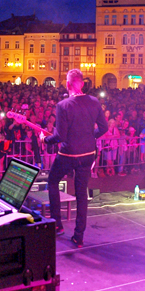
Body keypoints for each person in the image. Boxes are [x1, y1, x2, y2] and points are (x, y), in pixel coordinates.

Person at [40, 69, 108, 247]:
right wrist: (89, 136)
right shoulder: (94, 102)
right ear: (83, 84)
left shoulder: (63, 105)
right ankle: (79, 236)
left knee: (53, 181)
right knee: (81, 193)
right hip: (87, 154)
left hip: (69, 154)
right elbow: (104, 128)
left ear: (68, 84)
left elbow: (60, 136)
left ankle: (57, 225)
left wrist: (45, 139)